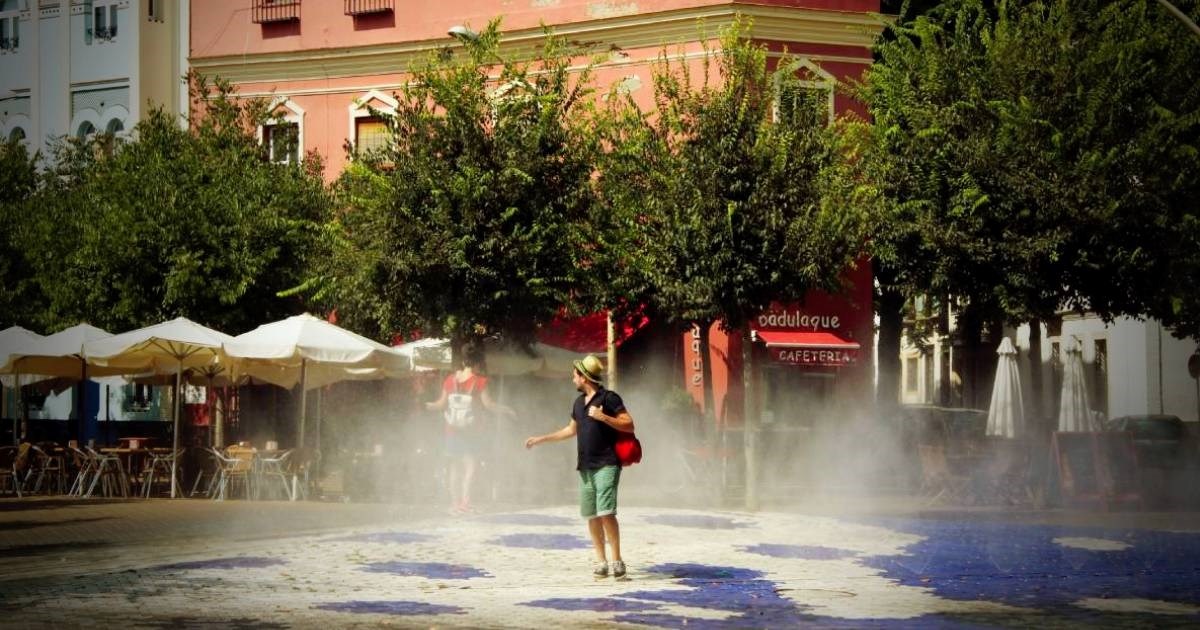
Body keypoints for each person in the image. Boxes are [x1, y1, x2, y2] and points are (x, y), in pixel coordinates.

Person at [524, 354, 635, 579]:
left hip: (607, 463)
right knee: (592, 515)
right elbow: (570, 430)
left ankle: (617, 560)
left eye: (575, 375)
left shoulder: (609, 399)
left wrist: (604, 417)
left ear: (584, 377)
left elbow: (629, 424)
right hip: (585, 466)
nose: (572, 378)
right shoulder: (578, 403)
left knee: (606, 513)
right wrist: (541, 439)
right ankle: (601, 561)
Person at [426, 344, 511, 513]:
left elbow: (440, 404)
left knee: (454, 467)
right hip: (471, 431)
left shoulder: (450, 379)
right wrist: (507, 409)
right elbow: (489, 405)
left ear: (462, 360)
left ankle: (454, 504)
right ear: (478, 361)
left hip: (451, 429)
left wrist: (424, 405)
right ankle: (465, 502)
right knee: (471, 466)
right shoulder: (479, 381)